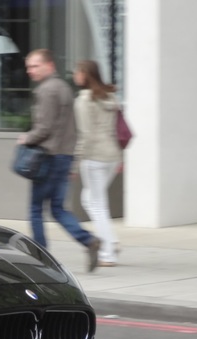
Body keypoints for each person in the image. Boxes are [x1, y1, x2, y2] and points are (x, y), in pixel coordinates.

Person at [18, 49, 101, 272]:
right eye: (28, 67)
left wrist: (27, 138)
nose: (30, 71)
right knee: (57, 208)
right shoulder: (65, 88)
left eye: (34, 66)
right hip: (64, 156)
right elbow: (71, 128)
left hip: (47, 158)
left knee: (36, 209)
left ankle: (41, 258)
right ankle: (88, 240)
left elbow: (44, 128)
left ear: (49, 65)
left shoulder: (46, 90)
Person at [72, 60, 122, 266]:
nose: (75, 75)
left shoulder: (84, 100)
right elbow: (117, 130)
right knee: (89, 198)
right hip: (112, 155)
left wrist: (75, 163)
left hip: (94, 158)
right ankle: (111, 240)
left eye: (77, 71)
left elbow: (86, 135)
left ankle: (107, 253)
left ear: (85, 75)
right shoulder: (110, 96)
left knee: (97, 204)